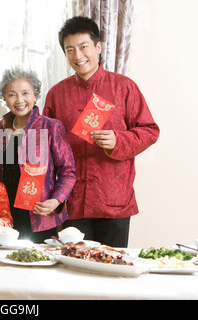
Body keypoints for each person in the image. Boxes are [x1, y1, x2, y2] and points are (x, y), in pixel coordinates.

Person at [43, 16, 160, 247]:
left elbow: (150, 131)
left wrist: (119, 139)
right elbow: (45, 143)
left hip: (114, 200)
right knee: (74, 269)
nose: (78, 56)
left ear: (98, 47)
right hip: (73, 200)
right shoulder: (57, 94)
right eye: (70, 50)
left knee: (112, 268)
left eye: (83, 47)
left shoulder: (124, 87)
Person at [0, 67, 76, 243]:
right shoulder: (0, 129)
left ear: (35, 94)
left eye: (25, 93)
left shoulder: (51, 127)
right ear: (4, 98)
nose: (20, 100)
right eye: (12, 94)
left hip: (39, 214)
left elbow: (68, 172)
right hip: (4, 214)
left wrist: (56, 201)